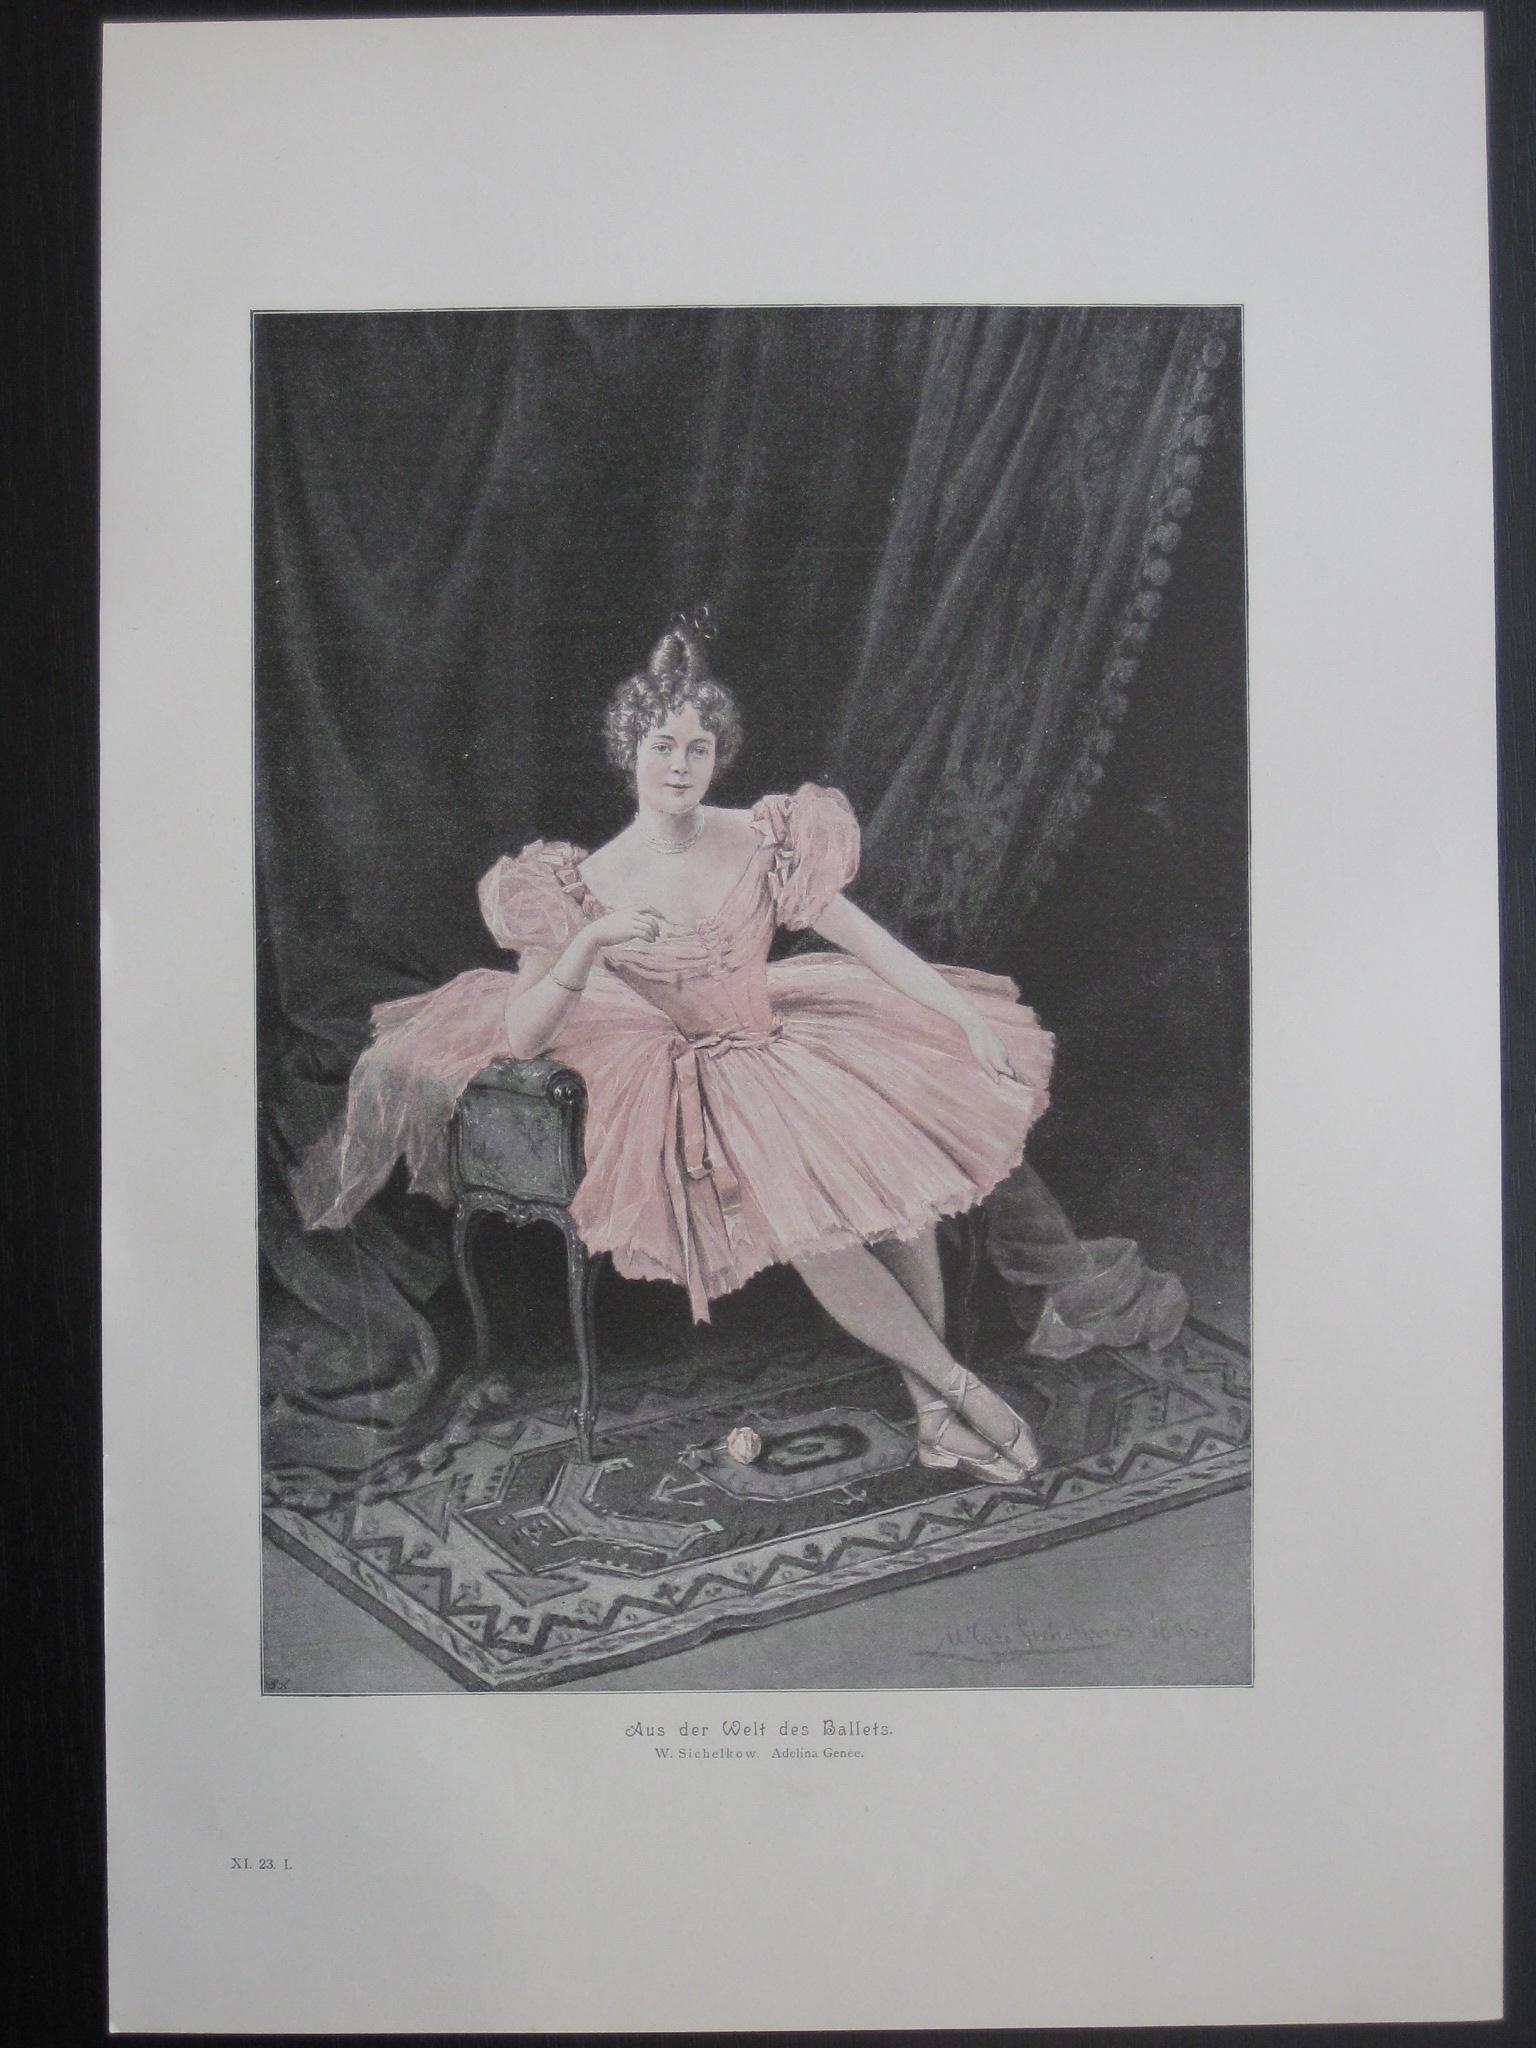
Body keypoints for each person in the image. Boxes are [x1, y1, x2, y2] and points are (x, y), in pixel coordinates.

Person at [295, 619, 1057, 1484]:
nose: (681, 764)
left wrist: (965, 1019)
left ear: (718, 755)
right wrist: (592, 942)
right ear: (630, 752)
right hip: (700, 1084)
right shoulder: (581, 883)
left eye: (699, 747)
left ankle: (936, 1418)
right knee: (814, 1227)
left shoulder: (767, 838)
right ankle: (964, 1391)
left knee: (902, 1204)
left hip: (789, 1041)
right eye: (662, 746)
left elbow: (872, 946)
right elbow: (524, 1033)